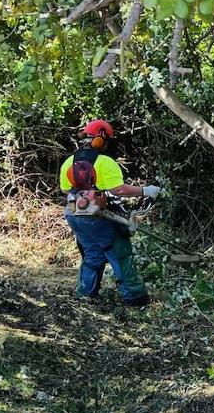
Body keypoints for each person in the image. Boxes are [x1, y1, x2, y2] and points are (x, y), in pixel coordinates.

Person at [59, 119, 161, 306]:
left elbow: (66, 191)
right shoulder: (104, 162)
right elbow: (119, 190)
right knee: (119, 252)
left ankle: (85, 293)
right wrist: (146, 190)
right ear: (101, 139)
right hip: (97, 216)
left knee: (92, 253)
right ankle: (136, 297)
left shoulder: (69, 161)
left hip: (74, 214)